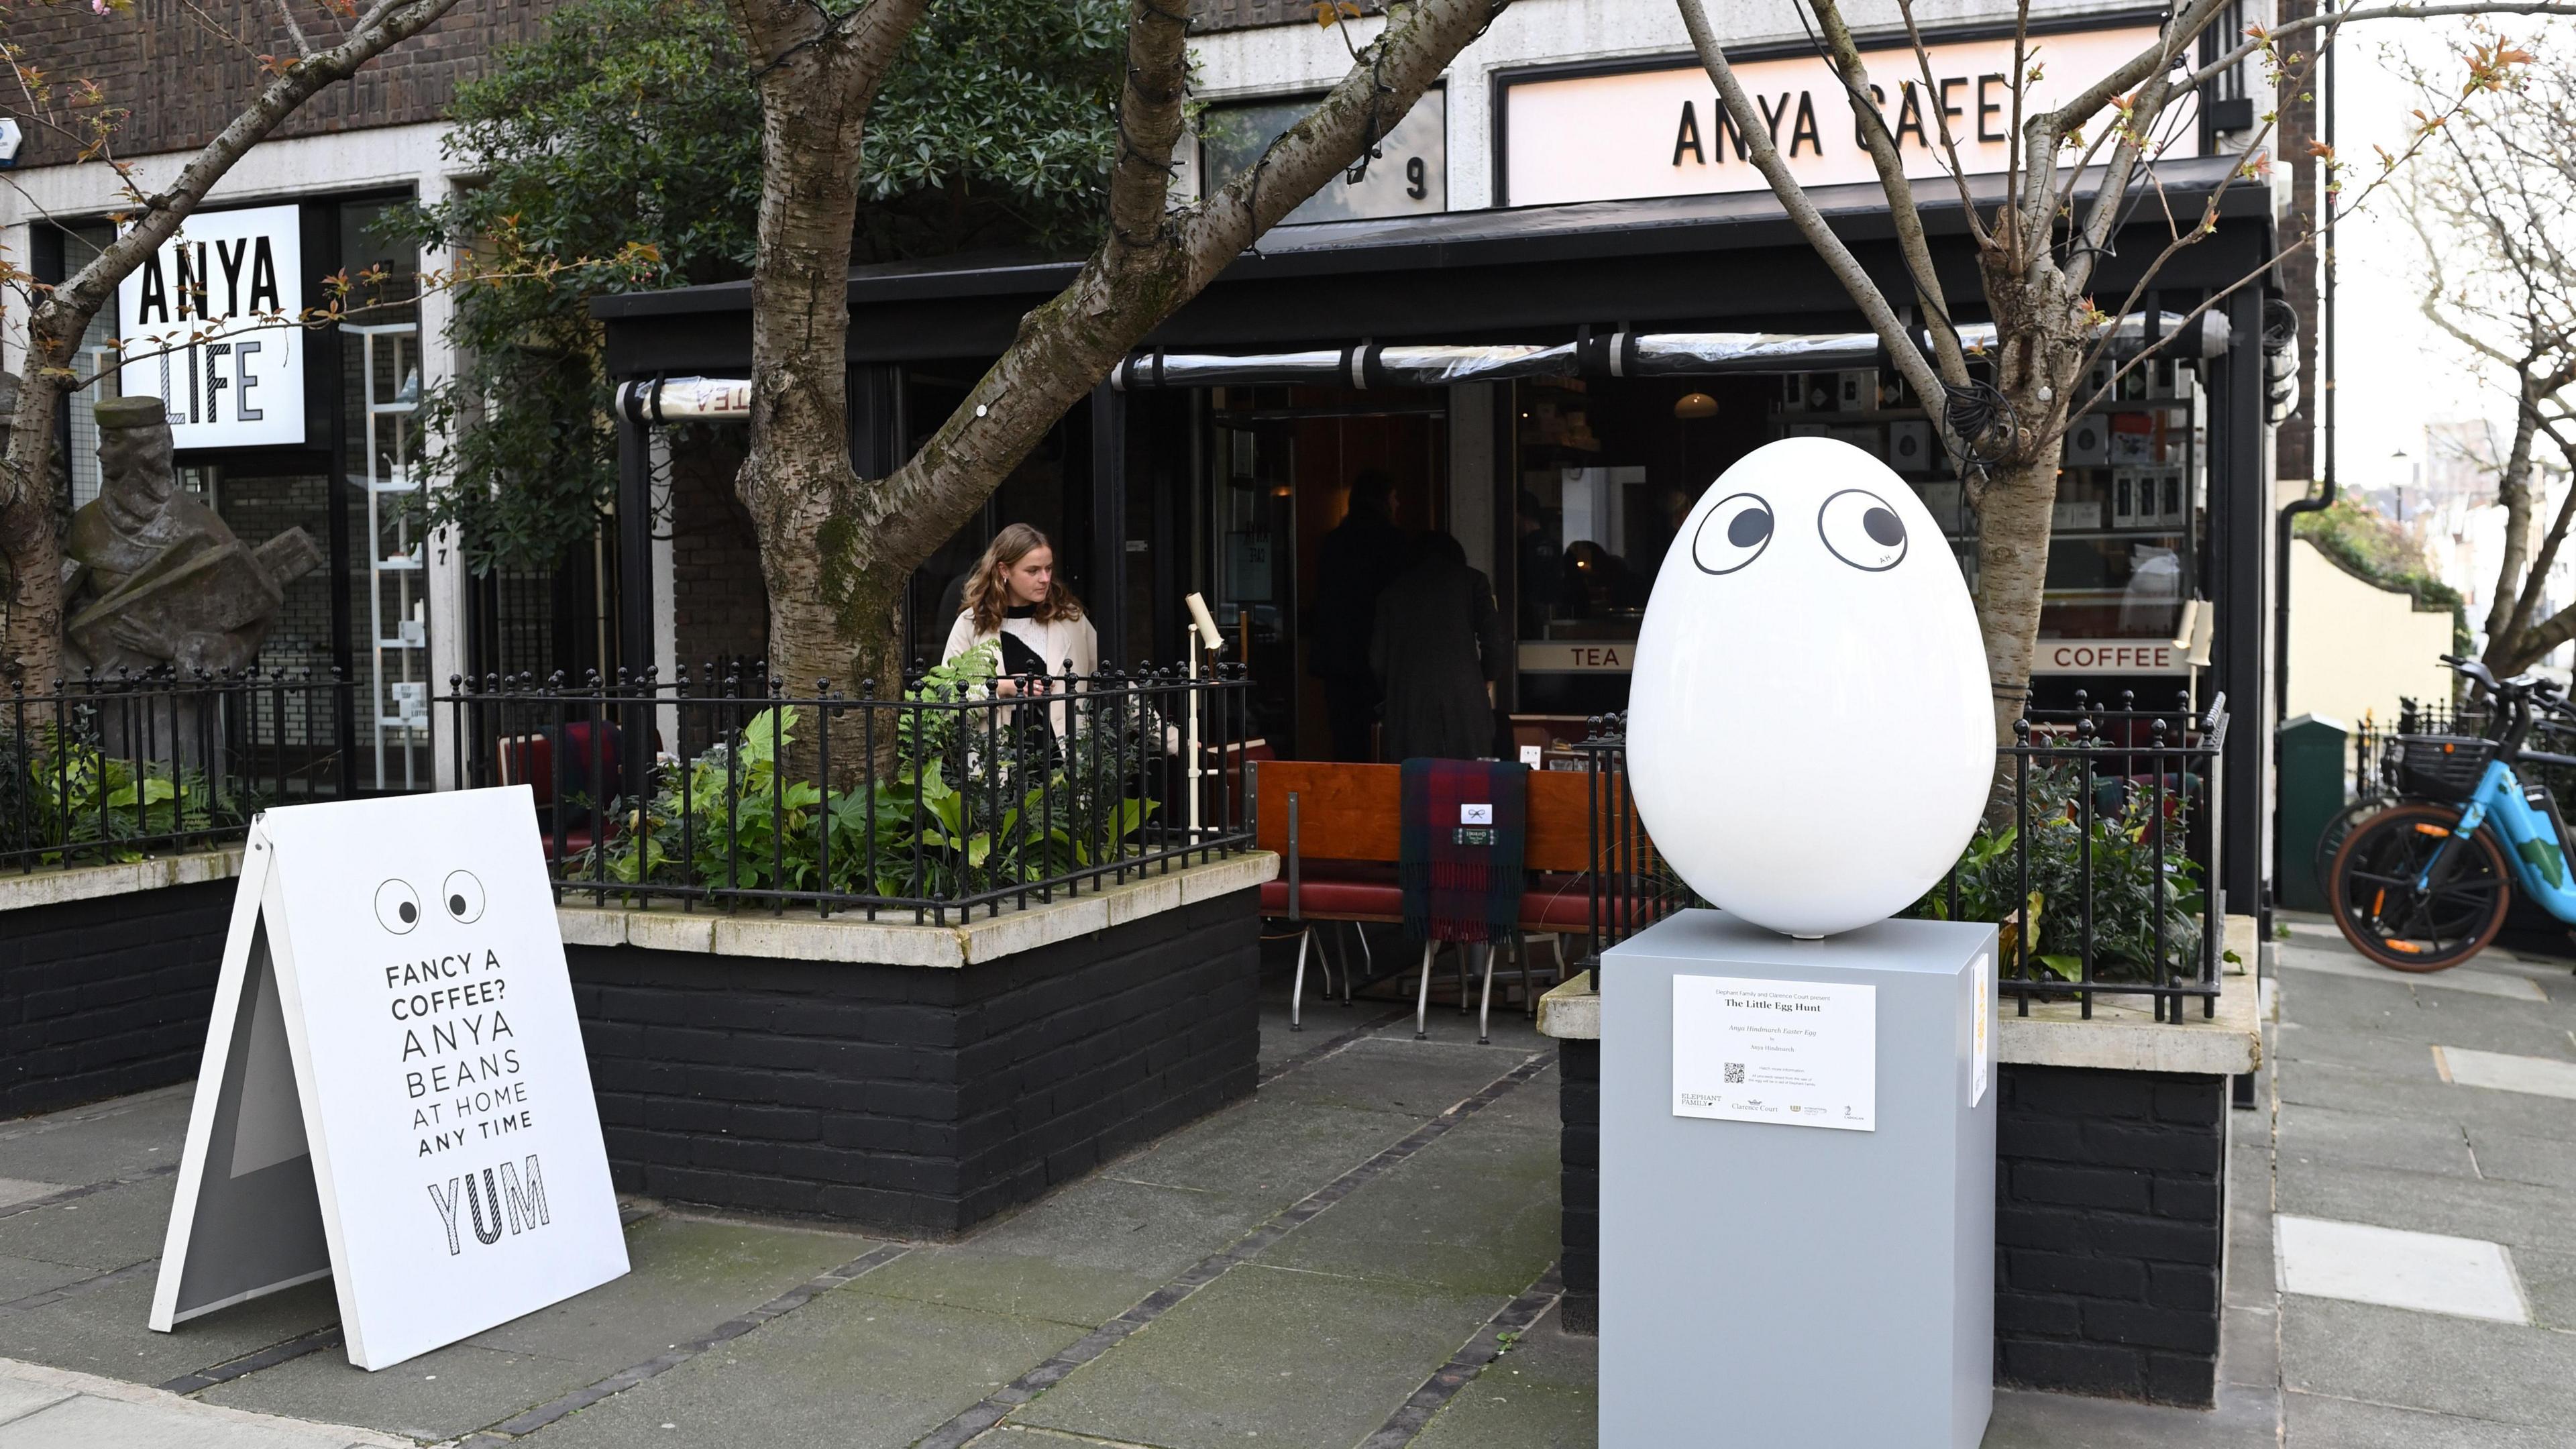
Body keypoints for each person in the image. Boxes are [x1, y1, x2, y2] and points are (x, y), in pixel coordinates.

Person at [1371, 531, 1505, 763]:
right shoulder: (1473, 582)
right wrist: (1487, 677)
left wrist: (1396, 691)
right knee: (1471, 785)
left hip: (1409, 706)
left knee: (1416, 787)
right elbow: (1495, 639)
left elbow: (1377, 661)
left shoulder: (1392, 593)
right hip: (1466, 703)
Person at [1309, 468, 1410, 760]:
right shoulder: (1392, 542)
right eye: (1394, 497)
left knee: (1345, 738)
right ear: (1382, 500)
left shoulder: (1334, 541)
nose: (1398, 504)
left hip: (1337, 659)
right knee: (1379, 739)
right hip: (1377, 658)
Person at [943, 523, 1099, 690]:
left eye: (1049, 568)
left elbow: (1109, 680)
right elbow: (948, 694)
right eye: (1033, 571)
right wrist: (1000, 688)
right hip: (999, 717)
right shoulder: (973, 621)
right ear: (1004, 570)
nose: (1045, 579)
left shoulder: (1069, 617)